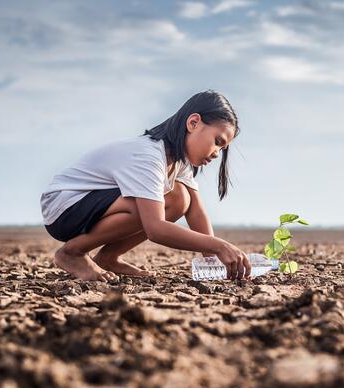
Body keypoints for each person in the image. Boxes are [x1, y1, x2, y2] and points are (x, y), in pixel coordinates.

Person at [40, 90, 251, 282]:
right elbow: (156, 229)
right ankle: (72, 253)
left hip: (90, 205)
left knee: (180, 198)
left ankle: (108, 257)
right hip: (64, 207)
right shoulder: (148, 156)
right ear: (193, 123)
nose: (216, 153)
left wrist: (213, 263)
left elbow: (196, 211)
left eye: (222, 149)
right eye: (217, 142)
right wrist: (219, 246)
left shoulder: (178, 161)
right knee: (147, 204)